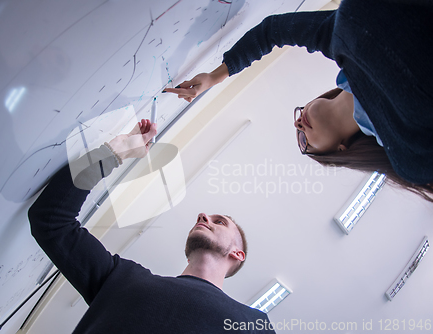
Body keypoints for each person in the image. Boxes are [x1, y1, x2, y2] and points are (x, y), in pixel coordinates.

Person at [164, 0, 433, 202]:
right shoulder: (409, 155)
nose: (298, 125)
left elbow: (272, 31)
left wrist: (213, 77)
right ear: (339, 150)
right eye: (304, 142)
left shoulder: (339, 44)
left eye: (298, 134)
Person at [28, 119, 276, 333]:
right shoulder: (122, 279)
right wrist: (113, 153)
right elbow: (51, 221)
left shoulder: (251, 325)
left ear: (237, 254)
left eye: (219, 221)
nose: (203, 216)